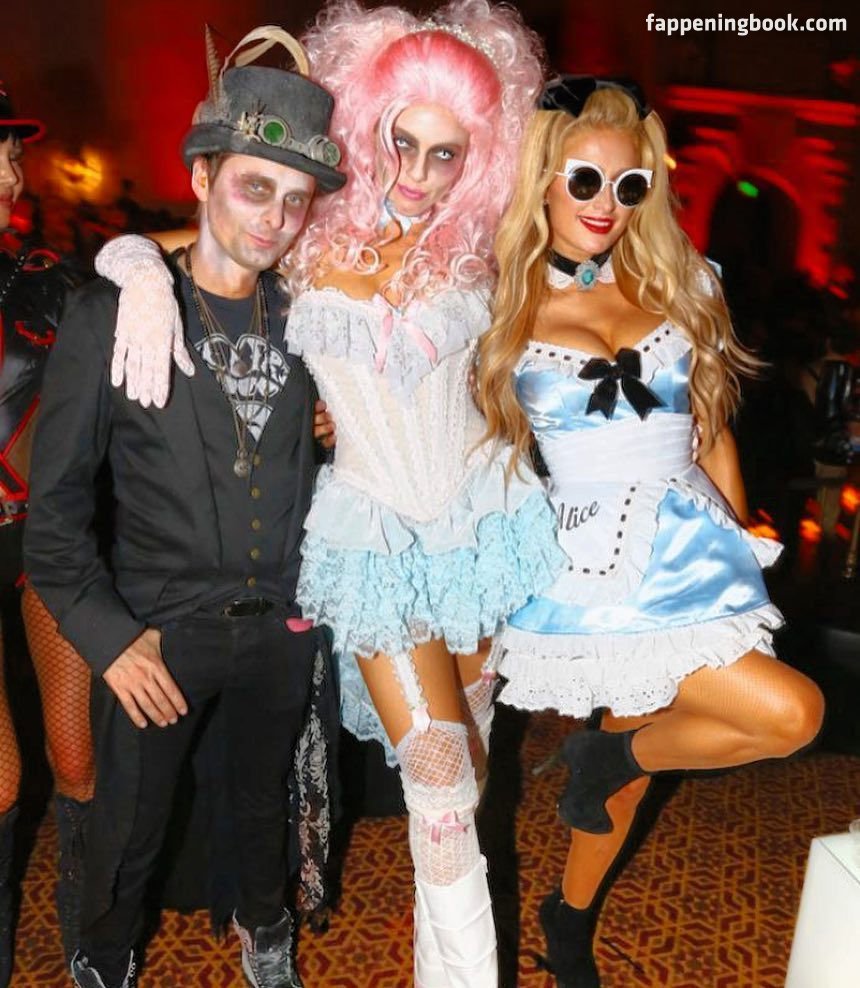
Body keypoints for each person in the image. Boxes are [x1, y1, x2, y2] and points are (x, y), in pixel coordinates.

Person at [95, 4, 561, 984]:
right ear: (368, 127)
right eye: (402, 142)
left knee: (468, 781)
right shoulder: (307, 245)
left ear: (477, 160)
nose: (417, 174)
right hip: (374, 536)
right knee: (438, 787)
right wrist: (135, 269)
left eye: (445, 154)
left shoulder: (481, 250)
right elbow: (177, 243)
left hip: (479, 524)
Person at [477, 75, 826, 987]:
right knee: (772, 720)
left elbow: (712, 429)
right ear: (543, 179)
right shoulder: (498, 308)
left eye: (629, 185)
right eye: (584, 180)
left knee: (776, 720)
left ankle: (577, 876)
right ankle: (576, 904)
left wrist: (741, 548)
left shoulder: (680, 284)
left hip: (692, 549)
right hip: (591, 564)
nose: (606, 203)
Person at [24, 29, 346, 988]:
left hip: (282, 626)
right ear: (202, 177)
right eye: (254, 187)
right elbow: (55, 517)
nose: (276, 219)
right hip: (159, 633)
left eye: (296, 198)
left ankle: (265, 933)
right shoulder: (115, 315)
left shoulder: (312, 318)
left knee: (260, 804)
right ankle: (104, 959)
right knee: (130, 828)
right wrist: (112, 640)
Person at [1, 83, 94, 983]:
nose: (10, 174)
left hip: (40, 545)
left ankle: (90, 944)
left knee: (78, 756)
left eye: (12, 156)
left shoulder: (44, 275)